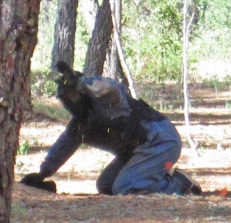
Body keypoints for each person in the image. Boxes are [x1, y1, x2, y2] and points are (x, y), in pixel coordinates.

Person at [20, 62, 202, 196]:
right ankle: (157, 179)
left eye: (74, 95)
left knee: (126, 188)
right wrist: (43, 173)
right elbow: (61, 148)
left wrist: (81, 82)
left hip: (160, 141)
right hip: (137, 151)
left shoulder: (110, 103)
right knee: (106, 186)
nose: (71, 101)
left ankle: (179, 185)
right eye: (66, 97)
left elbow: (112, 87)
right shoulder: (81, 125)